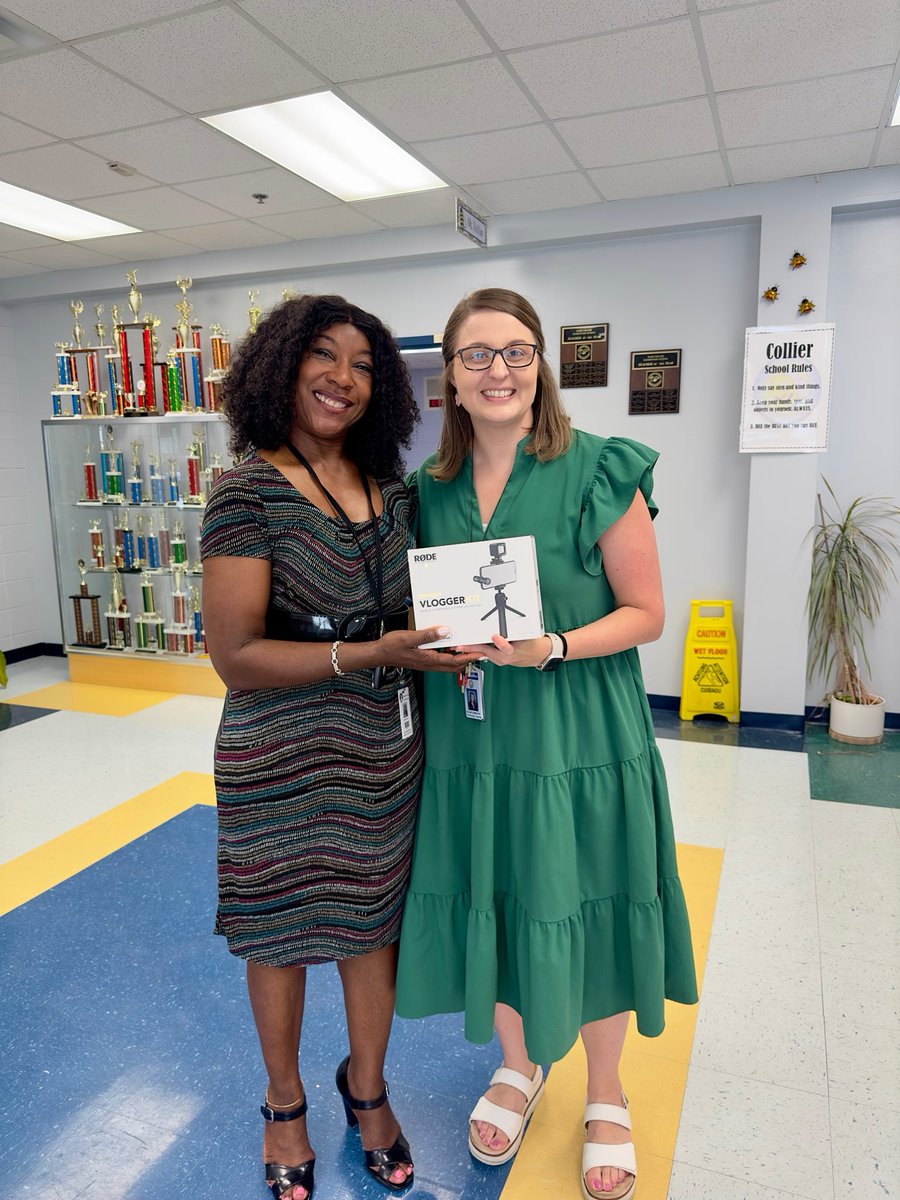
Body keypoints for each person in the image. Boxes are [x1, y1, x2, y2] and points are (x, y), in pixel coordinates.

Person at [395, 288, 698, 1200]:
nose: (499, 370)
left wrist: (554, 645)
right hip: (476, 745)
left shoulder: (600, 468)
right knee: (497, 889)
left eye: (516, 352)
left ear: (541, 367)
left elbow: (647, 613)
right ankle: (520, 1064)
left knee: (588, 897)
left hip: (580, 738)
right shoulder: (425, 492)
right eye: (477, 355)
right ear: (450, 377)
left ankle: (605, 1093)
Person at [200, 294, 479, 1200]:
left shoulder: (393, 495)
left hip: (381, 753)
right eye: (323, 356)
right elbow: (235, 656)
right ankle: (284, 1104)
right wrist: (370, 653)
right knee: (277, 937)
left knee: (371, 933)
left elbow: (419, 608)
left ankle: (367, 1090)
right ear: (282, 368)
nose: (342, 378)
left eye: (363, 366)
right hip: (277, 753)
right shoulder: (244, 493)